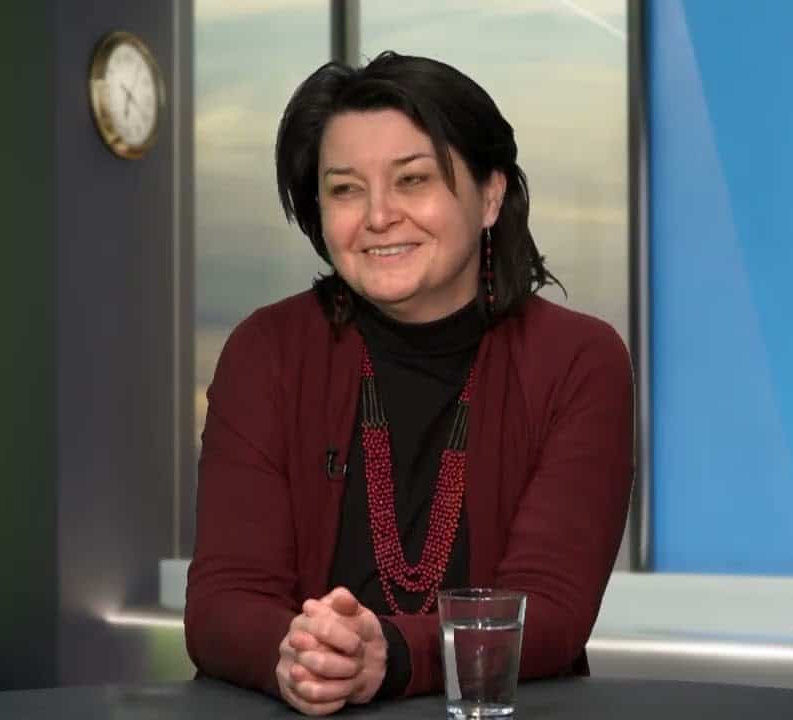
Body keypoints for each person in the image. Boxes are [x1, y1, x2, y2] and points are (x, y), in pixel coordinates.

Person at [184, 51, 633, 716]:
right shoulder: (267, 351)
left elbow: (550, 611)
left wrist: (388, 657)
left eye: (412, 180)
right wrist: (305, 655)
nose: (378, 216)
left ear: (490, 195)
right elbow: (223, 601)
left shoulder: (579, 360)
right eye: (345, 189)